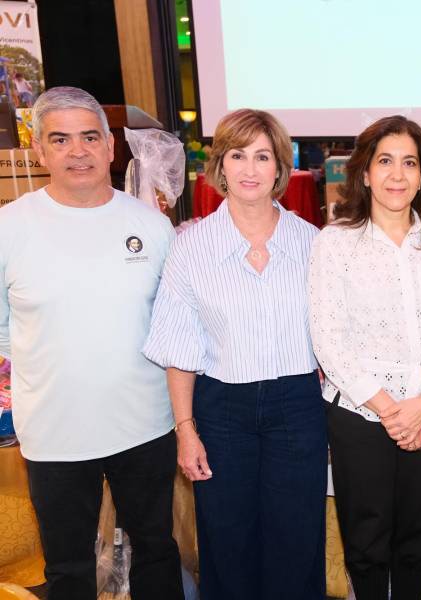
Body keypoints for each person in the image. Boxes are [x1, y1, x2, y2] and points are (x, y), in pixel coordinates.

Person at [0, 86, 183, 599]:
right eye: (60, 139)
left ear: (110, 147)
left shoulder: (152, 227)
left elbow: (173, 325)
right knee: (68, 568)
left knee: (156, 551)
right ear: (39, 151)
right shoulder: (9, 228)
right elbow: (2, 328)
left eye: (89, 138)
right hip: (55, 432)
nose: (76, 151)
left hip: (144, 425)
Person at [143, 108, 327, 600]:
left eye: (262, 156)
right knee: (227, 542)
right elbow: (180, 349)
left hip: (298, 406)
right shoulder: (192, 247)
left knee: (297, 540)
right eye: (237, 155)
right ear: (220, 167)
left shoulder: (315, 245)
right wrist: (186, 431)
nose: (249, 168)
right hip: (222, 411)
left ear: (280, 167)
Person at [308, 115, 421, 600]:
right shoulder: (335, 243)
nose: (397, 175)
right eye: (385, 162)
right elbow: (328, 338)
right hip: (360, 415)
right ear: (364, 173)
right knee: (367, 537)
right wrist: (390, 411)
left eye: (408, 163)